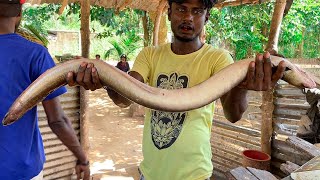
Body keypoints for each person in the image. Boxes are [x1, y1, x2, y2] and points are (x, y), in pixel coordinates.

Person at [66, 0, 286, 179]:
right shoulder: (149, 55)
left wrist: (241, 87)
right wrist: (104, 79)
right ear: (170, 12)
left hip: (194, 175)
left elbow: (234, 114)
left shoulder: (218, 58)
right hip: (150, 174)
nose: (188, 17)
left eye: (196, 11)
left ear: (206, 16)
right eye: (181, 8)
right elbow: (125, 99)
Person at [0, 1, 90, 179]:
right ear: (19, 14)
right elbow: (57, 120)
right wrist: (82, 159)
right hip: (21, 170)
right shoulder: (35, 54)